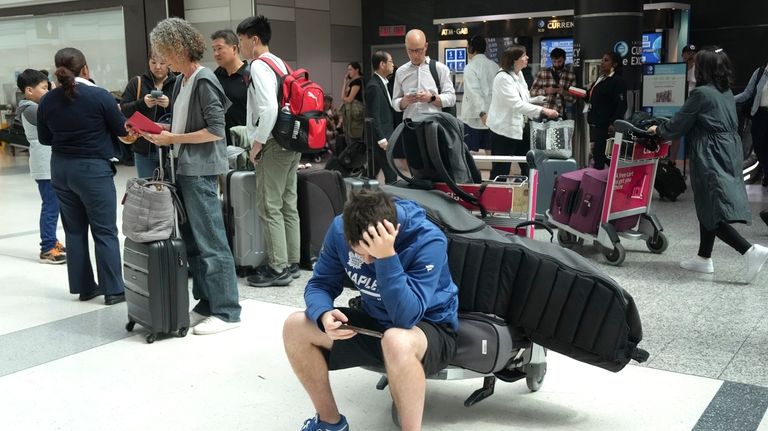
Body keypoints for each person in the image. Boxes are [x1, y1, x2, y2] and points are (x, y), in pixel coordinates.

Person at [283, 190, 459, 431]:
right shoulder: (339, 229)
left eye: (370, 253)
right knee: (295, 326)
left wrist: (386, 258)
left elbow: (405, 318)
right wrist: (324, 314)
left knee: (396, 339)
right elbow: (319, 284)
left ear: (392, 233)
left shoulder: (428, 240)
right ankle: (329, 423)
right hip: (375, 321)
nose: (365, 261)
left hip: (427, 328)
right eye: (358, 252)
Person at [142, 17, 241, 334]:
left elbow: (215, 130)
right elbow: (186, 126)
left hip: (199, 171)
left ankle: (227, 311)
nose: (163, 59)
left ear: (180, 48)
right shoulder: (183, 82)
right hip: (185, 167)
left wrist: (174, 139)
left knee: (211, 239)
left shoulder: (203, 79)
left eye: (165, 51)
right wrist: (162, 131)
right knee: (196, 242)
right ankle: (208, 302)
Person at [648, 47, 768, 284]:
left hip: (709, 153)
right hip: (727, 150)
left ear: (704, 69)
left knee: (711, 207)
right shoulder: (724, 92)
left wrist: (658, 131)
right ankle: (704, 258)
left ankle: (749, 251)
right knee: (708, 203)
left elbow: (678, 124)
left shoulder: (701, 94)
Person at [37, 47, 128, 305]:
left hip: (61, 169)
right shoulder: (100, 96)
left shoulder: (47, 100)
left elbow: (45, 139)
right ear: (85, 69)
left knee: (74, 231)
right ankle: (114, 290)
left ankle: (84, 287)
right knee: (104, 231)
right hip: (92, 171)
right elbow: (122, 130)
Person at [236, 15, 302, 287]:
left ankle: (277, 268)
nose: (239, 46)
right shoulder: (280, 63)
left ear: (254, 40)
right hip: (292, 142)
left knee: (269, 205)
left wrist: (258, 142)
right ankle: (292, 261)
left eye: (240, 40)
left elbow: (269, 109)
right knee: (288, 203)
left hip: (274, 142)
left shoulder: (259, 66)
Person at [486, 45, 559, 180]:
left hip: (519, 128)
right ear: (515, 60)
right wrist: (543, 110)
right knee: (501, 169)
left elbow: (523, 99)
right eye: (524, 56)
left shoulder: (518, 75)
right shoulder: (503, 78)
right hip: (503, 131)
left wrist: (537, 99)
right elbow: (516, 104)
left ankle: (528, 194)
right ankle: (494, 195)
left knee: (528, 164)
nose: (527, 58)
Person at [16, 69, 66, 265]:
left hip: (49, 162)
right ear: (29, 90)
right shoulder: (30, 108)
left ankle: (52, 241)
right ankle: (47, 247)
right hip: (44, 164)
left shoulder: (34, 105)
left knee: (55, 205)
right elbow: (55, 117)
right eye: (44, 88)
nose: (48, 91)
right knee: (51, 206)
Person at [119, 54, 176, 178]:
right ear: (148, 62)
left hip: (171, 148)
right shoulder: (137, 82)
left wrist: (169, 104)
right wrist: (142, 103)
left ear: (169, 64)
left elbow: (187, 111)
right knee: (147, 189)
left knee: (173, 190)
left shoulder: (178, 83)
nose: (157, 67)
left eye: (162, 63)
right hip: (144, 148)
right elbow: (124, 109)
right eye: (153, 62)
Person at [586, 51, 627, 170]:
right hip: (595, 123)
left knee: (604, 155)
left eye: (606, 60)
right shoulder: (600, 79)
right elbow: (592, 97)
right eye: (602, 60)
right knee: (596, 153)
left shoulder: (617, 81)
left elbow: (622, 104)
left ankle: (606, 183)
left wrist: (614, 122)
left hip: (607, 126)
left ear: (614, 64)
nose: (602, 63)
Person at [459, 35, 498, 153]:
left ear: (471, 49)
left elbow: (473, 93)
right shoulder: (495, 66)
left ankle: (472, 173)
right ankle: (495, 173)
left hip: (474, 117)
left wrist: (482, 113)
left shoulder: (470, 67)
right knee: (491, 152)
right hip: (492, 116)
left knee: (471, 154)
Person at [211, 29, 249, 146]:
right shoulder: (216, 74)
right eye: (214, 50)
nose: (216, 53)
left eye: (219, 48)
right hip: (222, 143)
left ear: (234, 49)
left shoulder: (250, 74)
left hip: (246, 143)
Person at [365, 51, 398, 184]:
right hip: (381, 138)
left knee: (372, 172)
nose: (393, 65)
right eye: (391, 62)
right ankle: (394, 201)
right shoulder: (374, 86)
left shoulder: (382, 83)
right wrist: (381, 138)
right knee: (391, 174)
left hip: (384, 135)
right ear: (382, 64)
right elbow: (374, 115)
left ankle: (363, 196)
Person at [734, 60, 768, 187]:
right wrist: (728, 99)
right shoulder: (760, 72)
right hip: (759, 115)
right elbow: (747, 93)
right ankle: (766, 172)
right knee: (759, 147)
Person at [530, 47, 576, 118]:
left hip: (560, 114)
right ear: (551, 60)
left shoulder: (570, 75)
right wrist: (546, 91)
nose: (557, 64)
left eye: (559, 61)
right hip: (544, 113)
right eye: (554, 61)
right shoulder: (542, 73)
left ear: (564, 59)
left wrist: (564, 92)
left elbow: (574, 99)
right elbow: (532, 92)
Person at [340, 61, 365, 149]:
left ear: (357, 70)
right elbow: (343, 97)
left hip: (355, 113)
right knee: (349, 136)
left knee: (354, 137)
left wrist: (344, 98)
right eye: (348, 70)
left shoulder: (358, 82)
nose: (348, 72)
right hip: (350, 114)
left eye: (350, 69)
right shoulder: (352, 82)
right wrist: (344, 82)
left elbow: (349, 99)